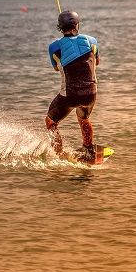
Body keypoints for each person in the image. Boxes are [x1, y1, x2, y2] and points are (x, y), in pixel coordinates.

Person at [45, 10, 100, 160]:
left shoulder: (54, 47)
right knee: (83, 118)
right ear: (77, 25)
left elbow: (56, 68)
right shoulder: (92, 41)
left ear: (60, 28)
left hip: (70, 95)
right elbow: (97, 62)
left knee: (51, 121)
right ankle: (89, 149)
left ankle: (58, 155)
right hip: (91, 93)